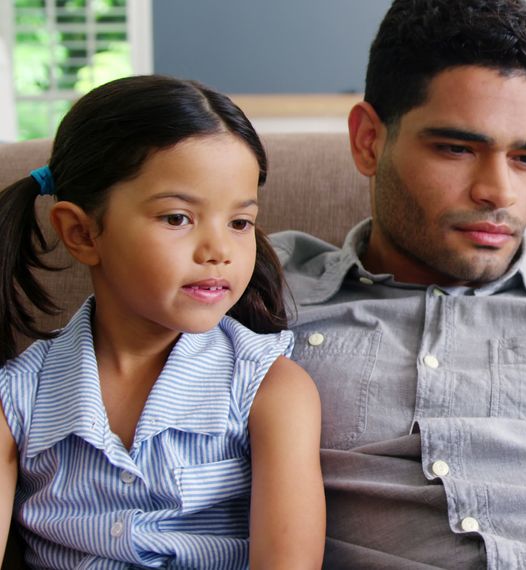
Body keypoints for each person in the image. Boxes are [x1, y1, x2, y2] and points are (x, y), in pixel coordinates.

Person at [271, 0, 526, 567]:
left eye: (525, 158)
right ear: (369, 141)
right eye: (457, 148)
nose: (499, 192)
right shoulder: (263, 295)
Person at [0, 75, 325, 568]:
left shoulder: (271, 388)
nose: (219, 250)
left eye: (239, 223)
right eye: (177, 218)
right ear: (82, 233)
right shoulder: (17, 400)